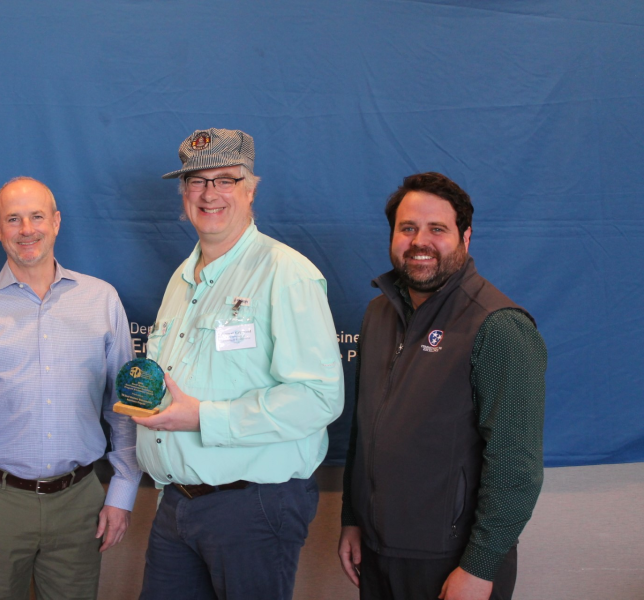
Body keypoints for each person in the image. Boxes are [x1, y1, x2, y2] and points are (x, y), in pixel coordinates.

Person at [134, 128, 345, 599]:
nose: (209, 194)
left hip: (252, 508)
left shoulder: (286, 273)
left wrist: (204, 418)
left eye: (225, 180)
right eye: (196, 181)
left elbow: (319, 398)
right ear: (183, 194)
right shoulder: (181, 279)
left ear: (250, 190)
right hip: (177, 504)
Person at [0, 176, 141, 600]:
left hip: (80, 503)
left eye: (37, 217)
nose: (27, 229)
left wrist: (123, 492)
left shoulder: (101, 300)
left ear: (56, 222)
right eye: (13, 219)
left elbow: (124, 407)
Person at [338, 172, 547, 600]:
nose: (420, 241)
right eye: (408, 228)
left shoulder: (499, 327)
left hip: (452, 561)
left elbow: (516, 467)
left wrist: (479, 567)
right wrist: (352, 518)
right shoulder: (377, 314)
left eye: (437, 229)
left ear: (465, 237)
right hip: (376, 552)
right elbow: (364, 428)